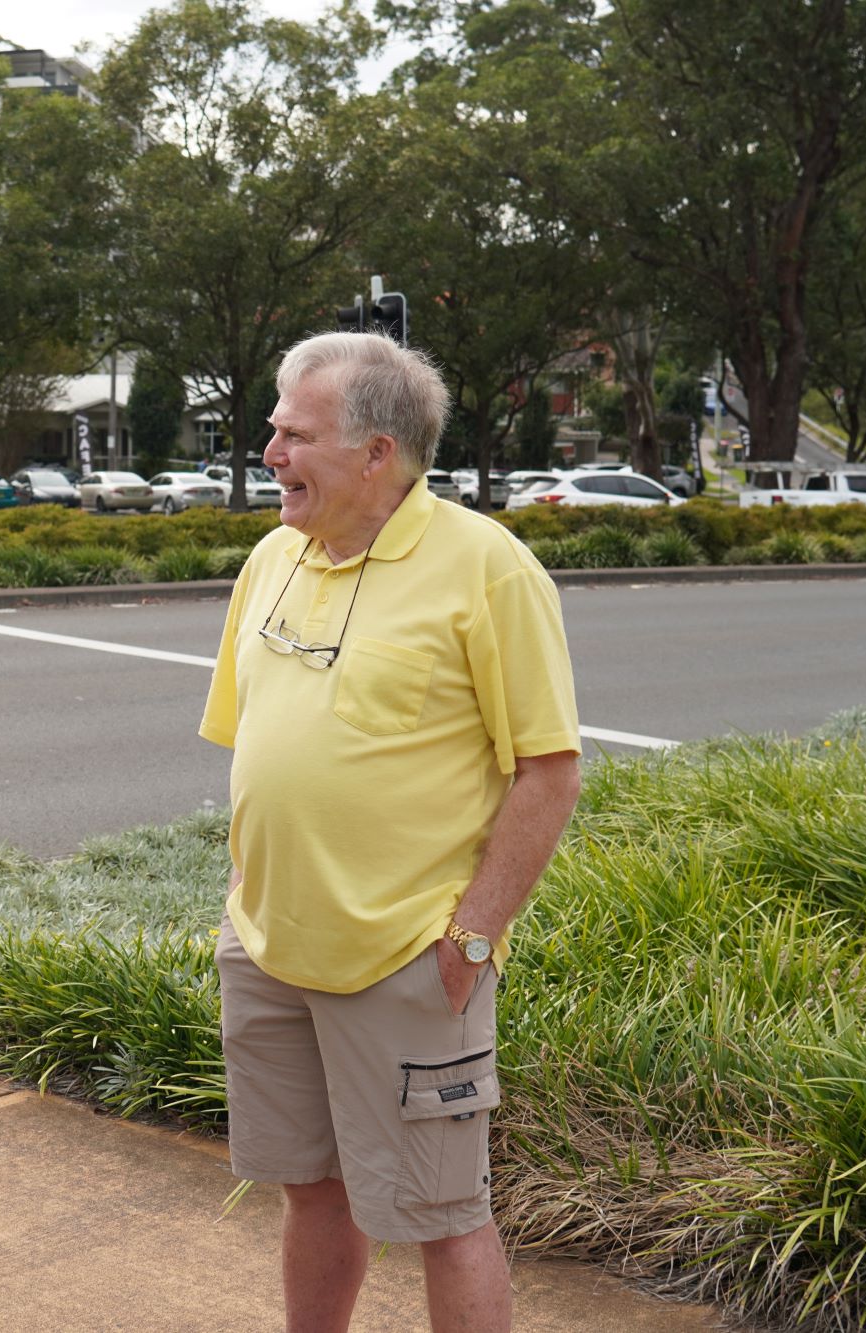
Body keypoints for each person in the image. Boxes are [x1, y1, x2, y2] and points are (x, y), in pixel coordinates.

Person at [199, 332, 581, 1332]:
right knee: (309, 1188)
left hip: (407, 959)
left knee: (442, 1217)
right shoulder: (272, 557)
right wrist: (241, 899)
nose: (270, 452)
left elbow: (547, 769)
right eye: (272, 429)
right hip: (269, 947)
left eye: (295, 433)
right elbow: (253, 747)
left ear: (378, 453)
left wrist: (469, 938)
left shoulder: (485, 568)